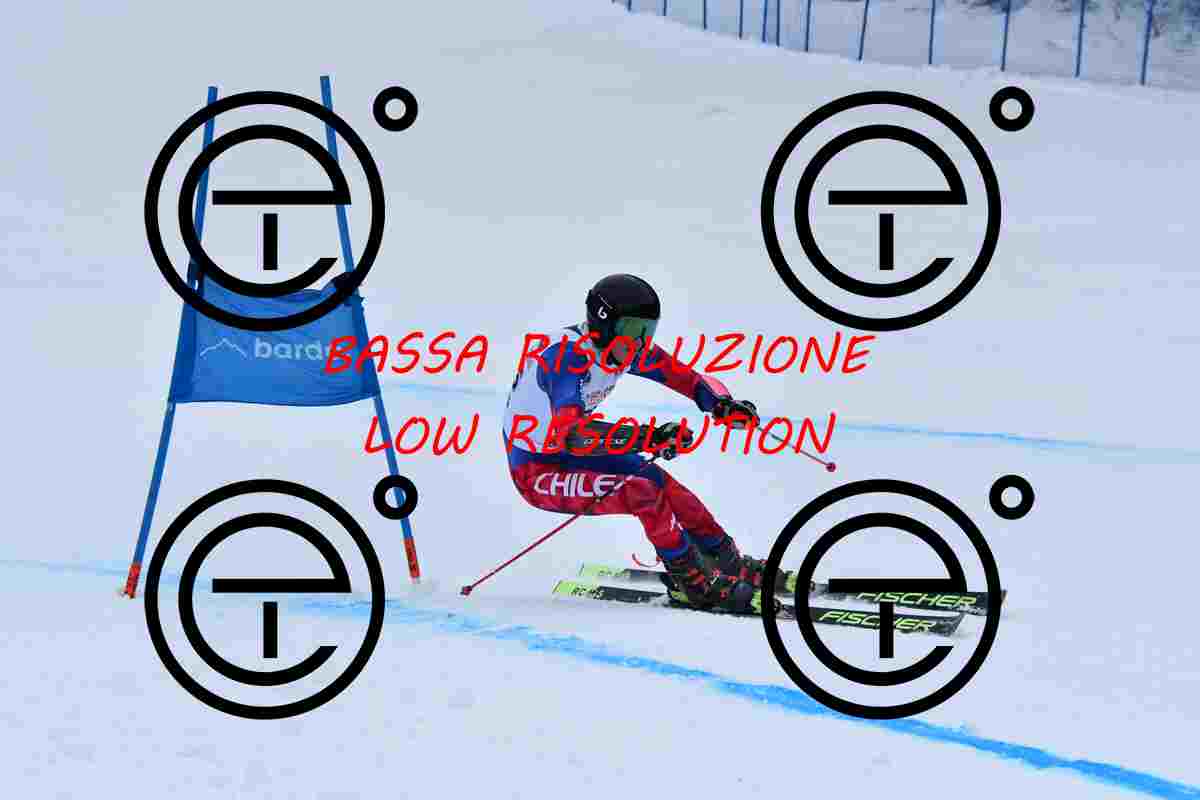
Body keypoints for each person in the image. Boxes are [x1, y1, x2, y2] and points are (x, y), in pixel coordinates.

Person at [502, 274, 770, 613]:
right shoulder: (566, 359)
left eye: (648, 330)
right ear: (603, 323)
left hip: (573, 454)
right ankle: (692, 583)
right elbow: (571, 434)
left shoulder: (623, 348)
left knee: (665, 486)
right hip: (537, 471)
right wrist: (648, 437)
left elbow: (684, 377)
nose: (641, 342)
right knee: (642, 492)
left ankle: (726, 561)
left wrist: (721, 405)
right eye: (632, 329)